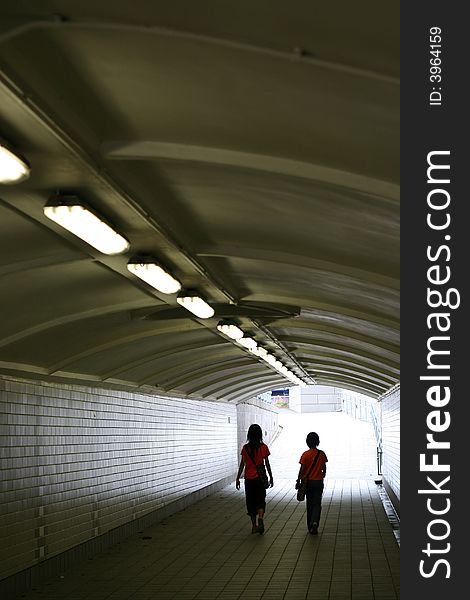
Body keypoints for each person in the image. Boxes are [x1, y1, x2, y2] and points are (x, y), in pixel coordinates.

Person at [236, 423, 274, 534]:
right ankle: (261, 518)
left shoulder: (245, 448)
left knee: (251, 502)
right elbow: (267, 463)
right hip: (260, 480)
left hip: (249, 480)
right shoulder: (263, 447)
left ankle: (254, 526)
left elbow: (242, 464)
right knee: (261, 500)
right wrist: (271, 477)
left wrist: (238, 478)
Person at [296, 431, 328, 534]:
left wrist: (299, 479)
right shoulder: (322, 454)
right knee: (317, 503)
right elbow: (324, 467)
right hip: (318, 482)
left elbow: (302, 469)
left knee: (309, 503)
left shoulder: (305, 454)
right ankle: (315, 522)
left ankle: (310, 524)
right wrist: (323, 474)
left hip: (308, 482)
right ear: (317, 441)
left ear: (307, 442)